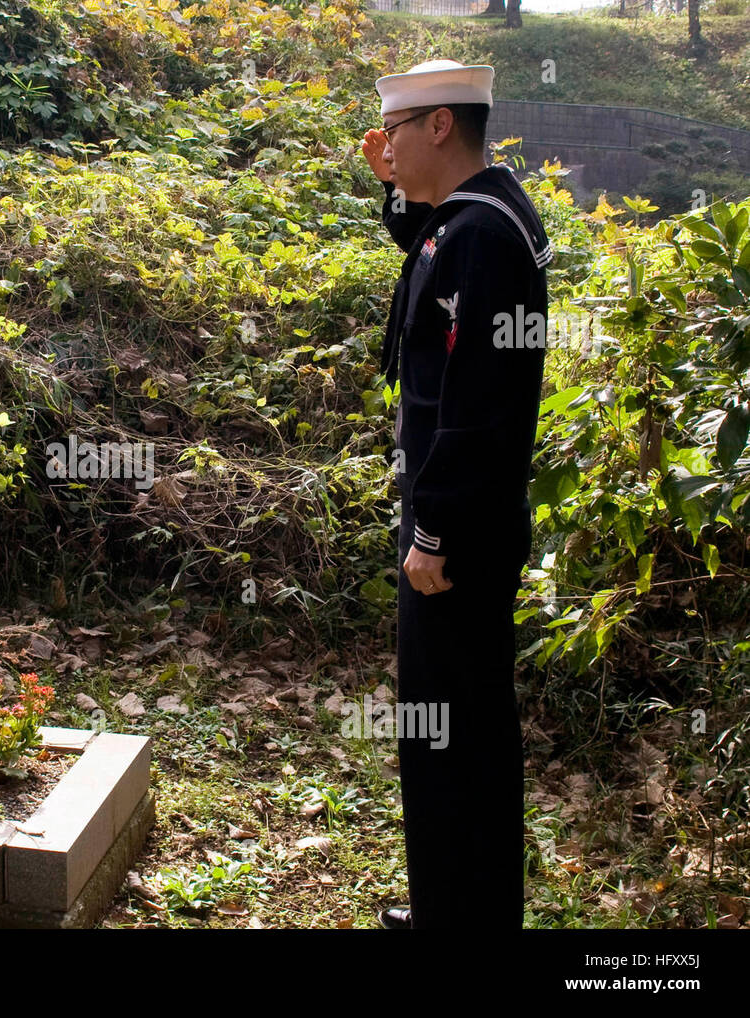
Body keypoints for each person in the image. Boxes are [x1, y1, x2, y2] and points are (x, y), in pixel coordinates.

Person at [359, 60, 551, 929]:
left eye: (398, 131)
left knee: (457, 729)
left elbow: (479, 403)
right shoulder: (473, 221)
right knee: (444, 724)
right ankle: (451, 908)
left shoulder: (484, 237)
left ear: (439, 127)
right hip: (455, 513)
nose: (387, 145)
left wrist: (432, 532)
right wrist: (395, 193)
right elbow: (428, 262)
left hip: (458, 526)